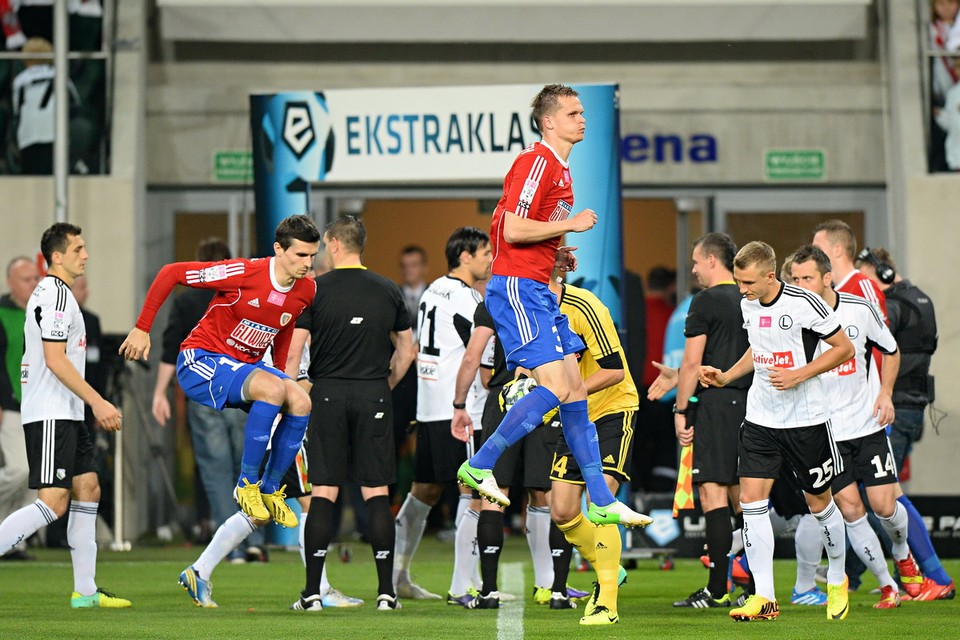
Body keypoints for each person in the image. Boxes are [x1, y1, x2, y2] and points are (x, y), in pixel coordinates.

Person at [456, 83, 650, 534]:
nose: (583, 119)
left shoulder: (560, 169)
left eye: (583, 112)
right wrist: (569, 224)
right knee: (559, 387)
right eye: (573, 113)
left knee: (575, 389)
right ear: (549, 122)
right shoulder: (536, 161)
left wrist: (555, 253)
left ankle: (600, 499)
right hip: (519, 290)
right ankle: (481, 464)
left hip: (537, 286)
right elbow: (511, 227)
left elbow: (523, 229)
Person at [119, 214, 321, 529]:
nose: (308, 263)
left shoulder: (306, 289)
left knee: (302, 401)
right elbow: (170, 273)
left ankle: (270, 489)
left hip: (246, 368)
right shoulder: (244, 271)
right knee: (272, 391)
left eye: (312, 255)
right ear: (278, 250)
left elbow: (283, 325)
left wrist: (280, 374)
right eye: (301, 255)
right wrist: (142, 328)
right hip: (201, 360)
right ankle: (246, 484)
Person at [699, 241, 855, 622]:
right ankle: (765, 597)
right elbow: (758, 349)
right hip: (760, 420)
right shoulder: (747, 304)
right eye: (738, 282)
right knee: (752, 504)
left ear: (770, 276)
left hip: (806, 422)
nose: (742, 289)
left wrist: (800, 374)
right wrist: (726, 375)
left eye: (748, 282)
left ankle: (836, 577)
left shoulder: (805, 303)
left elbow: (844, 349)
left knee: (820, 506)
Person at [177, 337, 363, 609]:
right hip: (283, 433)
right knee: (311, 502)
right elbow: (295, 384)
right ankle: (319, 590)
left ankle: (200, 570)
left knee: (261, 512)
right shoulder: (290, 332)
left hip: (271, 431)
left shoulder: (276, 326)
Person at [0, 223, 130, 608]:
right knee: (54, 502)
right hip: (52, 413)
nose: (85, 255)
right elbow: (55, 360)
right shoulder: (55, 296)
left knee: (88, 489)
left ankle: (85, 591)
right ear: (56, 256)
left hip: (66, 413)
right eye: (78, 249)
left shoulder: (60, 294)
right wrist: (98, 401)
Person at [290, 214, 415, 612]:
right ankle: (386, 593)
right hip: (373, 394)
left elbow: (294, 354)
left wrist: (290, 398)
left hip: (325, 395)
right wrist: (384, 387)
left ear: (334, 244)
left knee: (324, 489)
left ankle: (311, 593)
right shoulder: (388, 289)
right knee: (376, 490)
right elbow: (407, 350)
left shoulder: (313, 289)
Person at [789, 245, 922, 608]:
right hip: (827, 434)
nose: (801, 285)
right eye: (796, 279)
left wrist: (887, 395)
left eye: (807, 278)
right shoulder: (795, 318)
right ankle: (887, 585)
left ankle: (901, 550)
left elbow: (891, 350)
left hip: (866, 424)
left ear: (826, 277)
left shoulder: (859, 309)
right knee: (850, 511)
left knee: (884, 505)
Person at [151, 238, 265, 562]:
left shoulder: (187, 301)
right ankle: (252, 538)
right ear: (229, 262)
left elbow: (170, 347)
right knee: (247, 466)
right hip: (240, 388)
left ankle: (234, 547)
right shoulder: (242, 293)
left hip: (204, 393)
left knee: (215, 471)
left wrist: (160, 393)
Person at [392, 227, 491, 602]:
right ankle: (462, 585)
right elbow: (479, 355)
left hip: (429, 404)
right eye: (484, 253)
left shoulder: (433, 289)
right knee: (475, 489)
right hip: (460, 409)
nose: (489, 259)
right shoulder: (468, 299)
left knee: (425, 491)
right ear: (464, 256)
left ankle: (398, 577)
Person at [540, 273, 640, 625]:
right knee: (563, 512)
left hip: (612, 408)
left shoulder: (584, 305)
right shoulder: (526, 314)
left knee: (601, 504)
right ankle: (609, 565)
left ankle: (606, 602)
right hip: (572, 415)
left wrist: (571, 392)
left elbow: (614, 371)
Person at [857, 247, 955, 600]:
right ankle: (872, 576)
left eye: (862, 276)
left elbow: (883, 352)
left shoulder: (893, 306)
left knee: (884, 497)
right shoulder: (922, 299)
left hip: (892, 411)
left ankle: (933, 577)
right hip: (911, 409)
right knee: (882, 495)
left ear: (880, 272)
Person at [671, 233, 750, 609]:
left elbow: (692, 362)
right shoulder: (752, 297)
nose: (693, 269)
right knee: (744, 497)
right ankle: (753, 583)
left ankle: (718, 589)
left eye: (697, 261)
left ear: (713, 261)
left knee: (713, 492)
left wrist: (682, 409)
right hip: (754, 403)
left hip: (717, 404)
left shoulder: (704, 301)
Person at [0, 256, 40, 559]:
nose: (33, 284)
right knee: (19, 470)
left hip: (39, 404)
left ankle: (14, 540)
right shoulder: (2, 313)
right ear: (11, 282)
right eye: (27, 279)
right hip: (11, 404)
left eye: (35, 278)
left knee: (35, 478)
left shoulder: (43, 313)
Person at [11, 37, 81, 175]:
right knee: (55, 175)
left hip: (29, 135)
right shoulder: (60, 75)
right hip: (55, 133)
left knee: (31, 179)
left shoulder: (19, 80)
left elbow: (17, 111)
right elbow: (75, 106)